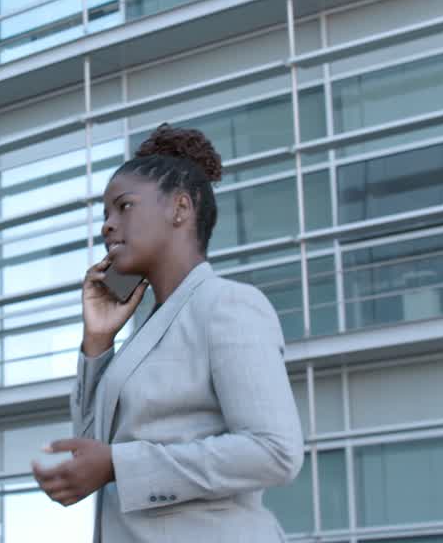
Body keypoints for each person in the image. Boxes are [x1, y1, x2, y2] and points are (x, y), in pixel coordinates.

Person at [31, 123, 304, 542]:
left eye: (124, 207)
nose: (107, 226)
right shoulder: (140, 338)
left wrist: (119, 465)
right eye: (105, 214)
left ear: (179, 208)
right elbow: (91, 452)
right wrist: (97, 341)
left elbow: (275, 451)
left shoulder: (226, 304)